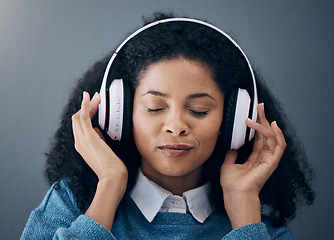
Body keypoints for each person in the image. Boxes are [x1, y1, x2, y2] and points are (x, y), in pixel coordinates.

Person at [21, 12, 314, 239]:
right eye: (155, 107)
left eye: (198, 110)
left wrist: (243, 210)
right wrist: (109, 186)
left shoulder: (261, 229)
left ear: (235, 121)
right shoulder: (70, 205)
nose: (176, 126)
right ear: (118, 115)